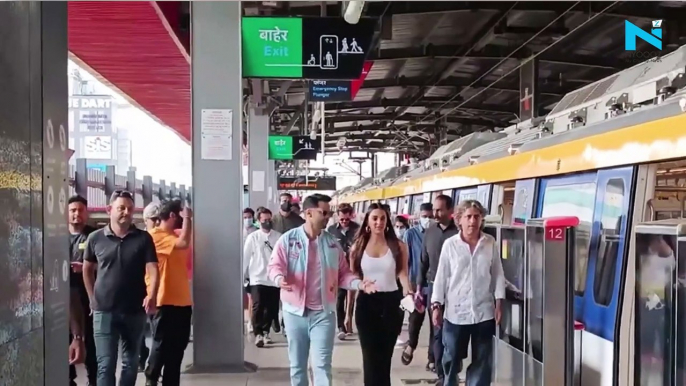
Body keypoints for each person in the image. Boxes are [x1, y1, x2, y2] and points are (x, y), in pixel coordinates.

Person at [267, 194, 376, 386]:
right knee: (298, 366)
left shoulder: (332, 244)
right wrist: (279, 278)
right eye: (324, 213)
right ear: (308, 213)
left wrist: (360, 284)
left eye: (330, 213)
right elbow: (274, 266)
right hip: (294, 314)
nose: (328, 217)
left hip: (323, 314)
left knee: (322, 366)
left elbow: (344, 274)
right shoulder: (288, 240)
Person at [83, 190, 160, 386]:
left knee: (131, 362)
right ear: (110, 210)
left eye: (130, 208)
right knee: (106, 364)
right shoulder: (95, 238)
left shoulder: (143, 239)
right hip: (103, 311)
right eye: (121, 208)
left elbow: (153, 269)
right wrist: (92, 298)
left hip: (134, 310)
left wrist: (151, 295)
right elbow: (87, 270)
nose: (126, 212)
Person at [431, 199, 505, 386]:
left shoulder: (490, 243)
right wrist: (436, 305)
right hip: (456, 313)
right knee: (452, 357)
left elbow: (497, 273)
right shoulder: (450, 245)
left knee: (483, 361)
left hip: (484, 312)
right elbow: (441, 276)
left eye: (477, 217)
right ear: (459, 220)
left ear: (482, 220)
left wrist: (499, 303)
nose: (473, 221)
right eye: (468, 216)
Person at [350, 203, 413, 386]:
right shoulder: (357, 247)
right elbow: (353, 280)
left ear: (387, 221)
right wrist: (347, 313)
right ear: (367, 222)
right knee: (370, 358)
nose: (379, 222)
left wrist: (408, 292)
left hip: (391, 304)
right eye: (375, 218)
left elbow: (402, 274)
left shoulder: (398, 246)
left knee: (385, 358)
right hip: (366, 304)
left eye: (382, 218)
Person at [144, 200, 194, 386]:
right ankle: (152, 377)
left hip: (181, 301)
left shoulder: (170, 235)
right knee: (161, 344)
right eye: (180, 215)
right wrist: (188, 217)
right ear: (174, 215)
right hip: (163, 300)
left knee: (177, 349)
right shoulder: (155, 235)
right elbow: (183, 243)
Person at [418, 194, 460, 384]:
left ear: (450, 211)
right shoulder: (429, 232)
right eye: (434, 209)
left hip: (455, 288)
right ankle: (442, 374)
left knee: (453, 332)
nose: (435, 213)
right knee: (437, 331)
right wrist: (419, 287)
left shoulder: (458, 233)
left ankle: (452, 369)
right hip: (434, 287)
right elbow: (423, 262)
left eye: (439, 209)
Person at [67, 195, 98, 385]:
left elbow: (107, 264)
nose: (77, 214)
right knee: (67, 338)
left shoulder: (95, 236)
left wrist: (87, 268)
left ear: (86, 213)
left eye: (80, 210)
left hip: (89, 296)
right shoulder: (56, 236)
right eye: (73, 210)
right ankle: (69, 378)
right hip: (65, 298)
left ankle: (93, 379)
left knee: (93, 342)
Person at [402, 203, 435, 368]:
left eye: (430, 216)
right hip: (417, 285)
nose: (427, 219)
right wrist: (408, 287)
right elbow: (404, 262)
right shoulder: (410, 234)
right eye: (424, 216)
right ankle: (411, 344)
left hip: (435, 284)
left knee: (436, 322)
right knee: (415, 319)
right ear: (418, 216)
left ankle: (432, 358)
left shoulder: (437, 234)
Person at [244, 207, 282, 347]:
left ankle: (266, 332)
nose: (267, 222)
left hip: (273, 279)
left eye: (269, 219)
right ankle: (258, 333)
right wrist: (244, 277)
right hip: (257, 278)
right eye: (264, 220)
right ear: (259, 221)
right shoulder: (253, 238)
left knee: (272, 308)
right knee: (258, 306)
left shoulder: (278, 237)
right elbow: (246, 258)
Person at [326, 203, 360, 340]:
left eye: (347, 219)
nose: (344, 221)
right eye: (342, 219)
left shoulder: (357, 229)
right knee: (339, 298)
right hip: (338, 269)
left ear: (351, 216)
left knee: (353, 298)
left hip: (354, 269)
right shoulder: (331, 230)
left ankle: (349, 318)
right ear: (337, 217)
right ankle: (341, 326)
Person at [139, 202, 161, 372]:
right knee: (136, 332)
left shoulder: (162, 238)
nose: (157, 223)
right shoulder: (139, 239)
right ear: (145, 220)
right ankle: (141, 356)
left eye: (159, 219)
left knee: (156, 332)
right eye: (154, 219)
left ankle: (151, 369)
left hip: (154, 295)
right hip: (136, 292)